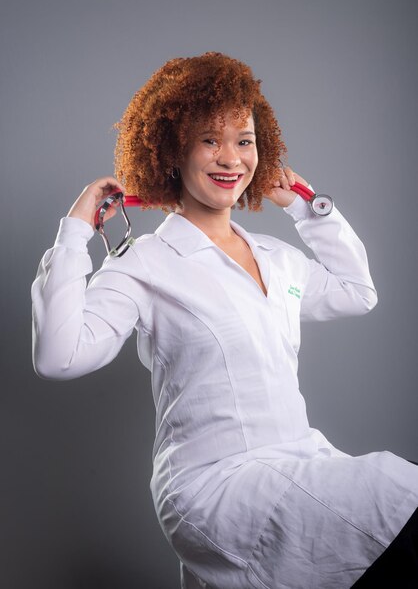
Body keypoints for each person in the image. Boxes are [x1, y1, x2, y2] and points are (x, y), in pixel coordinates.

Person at [31, 52, 418, 589]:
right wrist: (74, 234)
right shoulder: (144, 261)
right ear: (172, 151)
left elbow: (359, 293)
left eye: (245, 140)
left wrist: (307, 207)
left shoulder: (276, 257)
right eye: (210, 140)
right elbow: (59, 355)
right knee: (395, 493)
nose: (231, 158)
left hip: (301, 459)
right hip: (213, 485)